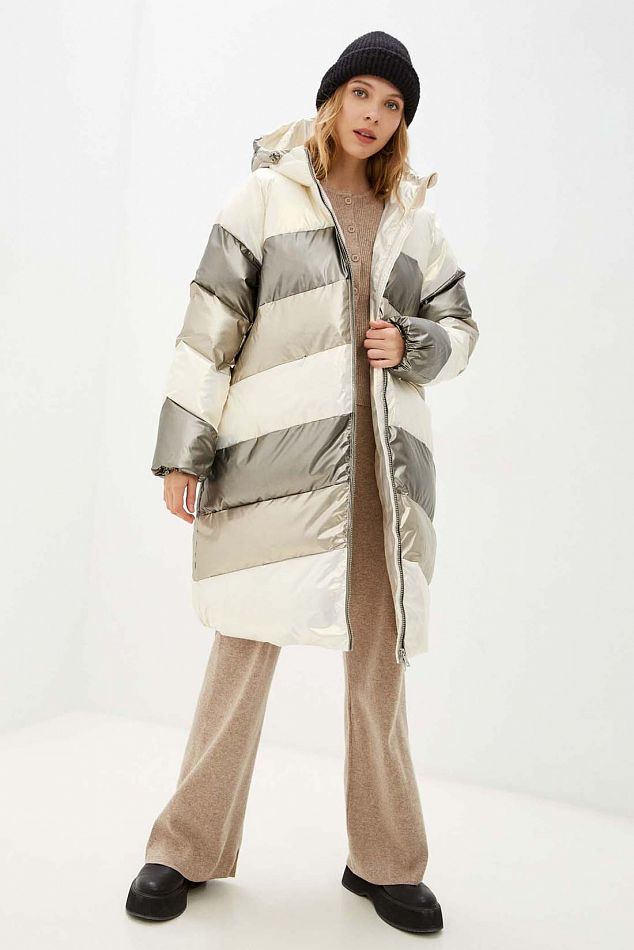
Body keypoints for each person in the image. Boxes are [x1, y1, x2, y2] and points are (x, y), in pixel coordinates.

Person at [126, 30, 479, 934]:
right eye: (362, 94)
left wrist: (415, 343)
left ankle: (386, 862)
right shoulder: (264, 196)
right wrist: (184, 450)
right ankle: (185, 847)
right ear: (332, 98)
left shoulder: (413, 217)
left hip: (380, 485)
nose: (374, 115)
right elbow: (211, 322)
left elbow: (460, 328)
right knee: (242, 654)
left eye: (392, 105)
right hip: (274, 472)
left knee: (379, 672)